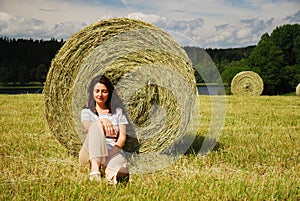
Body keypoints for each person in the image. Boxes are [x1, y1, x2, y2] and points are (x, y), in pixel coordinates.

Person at [79, 75, 129, 184]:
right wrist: (102, 121)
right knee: (96, 126)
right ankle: (95, 170)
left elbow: (122, 138)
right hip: (89, 153)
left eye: (104, 91)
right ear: (92, 93)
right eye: (97, 91)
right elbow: (87, 127)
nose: (100, 94)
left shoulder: (118, 112)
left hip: (112, 150)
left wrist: (110, 153)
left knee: (117, 164)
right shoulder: (87, 111)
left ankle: (115, 178)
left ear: (109, 93)